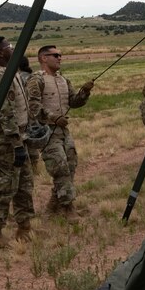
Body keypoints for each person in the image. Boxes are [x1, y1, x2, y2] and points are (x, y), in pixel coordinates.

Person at [0, 36, 35, 247]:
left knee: (24, 185)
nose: (12, 49)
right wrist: (17, 144)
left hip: (18, 137)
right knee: (3, 187)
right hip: (6, 141)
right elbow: (5, 113)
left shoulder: (8, 71)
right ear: (0, 53)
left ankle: (25, 228)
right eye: (8, 47)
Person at [26, 44, 93, 218]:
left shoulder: (63, 80)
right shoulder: (36, 80)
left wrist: (84, 92)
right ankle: (68, 208)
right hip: (46, 132)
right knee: (60, 167)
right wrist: (54, 118)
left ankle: (53, 206)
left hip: (63, 131)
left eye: (60, 55)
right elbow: (33, 107)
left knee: (70, 165)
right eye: (55, 55)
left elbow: (74, 102)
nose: (60, 58)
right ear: (43, 58)